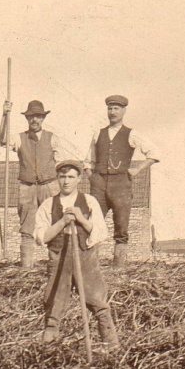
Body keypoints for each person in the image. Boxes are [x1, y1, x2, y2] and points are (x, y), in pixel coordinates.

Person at [32, 161, 118, 345]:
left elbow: (100, 232)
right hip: (59, 257)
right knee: (54, 303)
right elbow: (41, 237)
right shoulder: (48, 204)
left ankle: (112, 346)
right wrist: (63, 221)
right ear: (57, 179)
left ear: (79, 179)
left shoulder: (89, 201)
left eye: (71, 177)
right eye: (62, 177)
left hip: (85, 256)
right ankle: (48, 348)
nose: (66, 181)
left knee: (98, 301)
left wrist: (80, 218)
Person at [84, 95, 159, 266]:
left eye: (116, 109)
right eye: (110, 109)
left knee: (121, 226)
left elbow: (154, 153)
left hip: (121, 185)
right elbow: (88, 160)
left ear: (124, 111)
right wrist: (92, 177)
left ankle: (118, 268)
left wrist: (137, 169)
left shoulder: (131, 134)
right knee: (93, 223)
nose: (112, 112)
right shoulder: (98, 133)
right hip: (99, 184)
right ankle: (90, 265)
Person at [0, 99, 61, 268]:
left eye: (38, 117)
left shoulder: (52, 138)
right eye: (31, 117)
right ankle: (26, 268)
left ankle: (56, 266)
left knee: (55, 224)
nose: (35, 120)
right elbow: (3, 139)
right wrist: (5, 115)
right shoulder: (19, 138)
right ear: (27, 119)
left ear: (43, 118)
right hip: (27, 187)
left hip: (49, 186)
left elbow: (60, 164)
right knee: (27, 229)